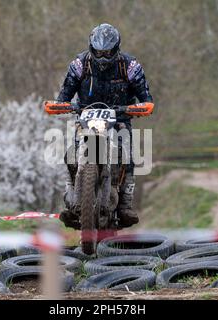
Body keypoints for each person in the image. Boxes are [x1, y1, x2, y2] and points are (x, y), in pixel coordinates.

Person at [56, 23, 154, 229]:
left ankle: (125, 204)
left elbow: (146, 97)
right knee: (71, 154)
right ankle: (71, 195)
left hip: (119, 118)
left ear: (116, 49)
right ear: (92, 47)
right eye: (99, 51)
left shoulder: (130, 66)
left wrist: (140, 107)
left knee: (128, 155)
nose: (103, 56)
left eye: (107, 52)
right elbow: (64, 94)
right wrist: (62, 104)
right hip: (86, 116)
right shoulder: (79, 64)